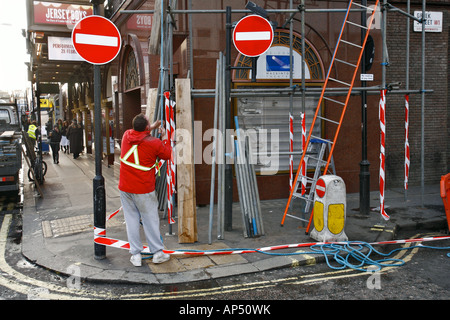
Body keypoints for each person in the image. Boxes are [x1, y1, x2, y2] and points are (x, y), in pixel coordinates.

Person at [118, 113, 171, 266]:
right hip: (143, 188)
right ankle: (157, 253)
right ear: (147, 127)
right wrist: (165, 137)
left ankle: (135, 255)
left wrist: (151, 126)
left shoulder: (126, 136)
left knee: (131, 220)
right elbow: (167, 154)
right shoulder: (154, 143)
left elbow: (137, 132)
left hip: (125, 187)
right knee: (150, 220)